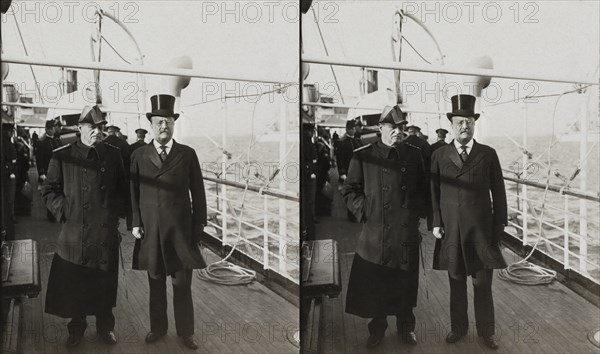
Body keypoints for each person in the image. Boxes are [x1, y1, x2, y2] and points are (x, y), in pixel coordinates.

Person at [41, 105, 129, 348]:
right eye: (91, 127)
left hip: (103, 233)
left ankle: (105, 328)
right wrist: (66, 212)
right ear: (80, 128)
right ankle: (76, 330)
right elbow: (48, 190)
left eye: (100, 128)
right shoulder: (62, 155)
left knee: (104, 283)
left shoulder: (112, 154)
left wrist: (114, 215)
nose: (97, 132)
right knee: (76, 283)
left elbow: (123, 190)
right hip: (75, 232)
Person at [342, 105, 429, 348]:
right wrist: (367, 211)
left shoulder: (413, 154)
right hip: (376, 233)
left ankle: (406, 328)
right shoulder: (363, 155)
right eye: (392, 127)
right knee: (377, 283)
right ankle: (377, 329)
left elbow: (422, 190)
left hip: (404, 233)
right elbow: (349, 190)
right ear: (380, 128)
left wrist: (415, 215)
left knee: (405, 283)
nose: (398, 132)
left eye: (401, 128)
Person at [430, 94, 507, 350]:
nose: (465, 126)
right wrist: (436, 222)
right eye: (460, 122)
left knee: (482, 285)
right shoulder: (440, 155)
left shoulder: (488, 154)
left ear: (474, 125)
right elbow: (434, 192)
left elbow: (499, 192)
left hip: (481, 232)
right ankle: (458, 329)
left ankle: (487, 333)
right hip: (452, 230)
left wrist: (499, 227)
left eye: (469, 122)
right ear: (452, 125)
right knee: (456, 283)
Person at [130, 94, 206, 350]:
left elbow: (199, 192)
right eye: (159, 122)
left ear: (174, 124)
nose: (164, 126)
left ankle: (186, 332)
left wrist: (199, 226)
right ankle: (158, 328)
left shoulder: (187, 154)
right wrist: (135, 222)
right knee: (155, 283)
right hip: (151, 230)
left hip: (180, 232)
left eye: (169, 122)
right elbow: (133, 192)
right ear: (152, 125)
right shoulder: (139, 155)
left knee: (182, 284)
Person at [336, 119, 363, 221]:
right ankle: (351, 215)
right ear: (347, 129)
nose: (352, 131)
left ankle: (357, 213)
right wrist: (342, 172)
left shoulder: (358, 141)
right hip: (348, 171)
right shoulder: (342, 143)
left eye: (353, 129)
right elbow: (340, 159)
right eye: (350, 129)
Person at [37, 119, 63, 220]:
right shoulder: (42, 143)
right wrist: (41, 172)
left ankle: (57, 213)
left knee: (58, 192)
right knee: (50, 193)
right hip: (48, 171)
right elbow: (40, 159)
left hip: (58, 171)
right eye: (51, 129)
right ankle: (50, 215)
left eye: (53, 128)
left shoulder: (57, 141)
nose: (53, 130)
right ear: (47, 130)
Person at [301, 122, 318, 241]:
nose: (312, 133)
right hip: (309, 175)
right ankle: (311, 220)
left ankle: (311, 219)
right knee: (310, 199)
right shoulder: (306, 143)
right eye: (311, 131)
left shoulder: (307, 142)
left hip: (309, 174)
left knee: (310, 200)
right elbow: (310, 159)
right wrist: (311, 171)